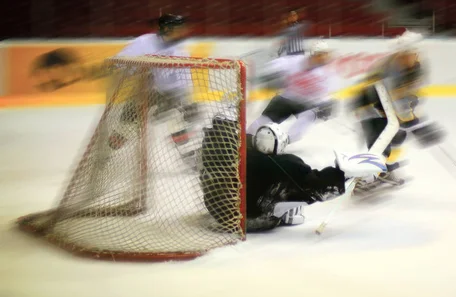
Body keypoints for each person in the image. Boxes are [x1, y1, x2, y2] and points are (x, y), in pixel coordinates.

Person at [200, 118, 387, 232]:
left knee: (274, 186)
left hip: (218, 209)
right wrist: (344, 174)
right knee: (292, 192)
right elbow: (316, 187)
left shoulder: (239, 150)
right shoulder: (285, 164)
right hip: (249, 219)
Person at [350, 31, 444, 191]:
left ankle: (385, 170)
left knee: (399, 136)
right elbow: (390, 99)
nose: (411, 57)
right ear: (400, 53)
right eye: (406, 54)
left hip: (389, 106)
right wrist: (414, 122)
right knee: (380, 142)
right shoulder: (387, 69)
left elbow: (413, 93)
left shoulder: (417, 66)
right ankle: (366, 178)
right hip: (370, 106)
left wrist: (417, 119)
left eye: (413, 54)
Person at [106, 13, 200, 167]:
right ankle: (106, 154)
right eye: (179, 28)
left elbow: (182, 79)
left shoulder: (180, 48)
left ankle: (189, 156)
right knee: (126, 128)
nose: (183, 32)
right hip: (143, 93)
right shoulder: (144, 42)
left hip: (169, 94)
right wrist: (134, 71)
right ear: (167, 29)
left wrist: (186, 99)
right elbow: (118, 62)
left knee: (177, 121)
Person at [247, 40, 340, 146]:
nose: (324, 57)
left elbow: (327, 94)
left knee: (308, 116)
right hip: (286, 99)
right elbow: (278, 64)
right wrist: (269, 73)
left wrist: (327, 103)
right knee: (263, 120)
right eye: (321, 54)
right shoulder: (296, 61)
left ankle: (284, 141)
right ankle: (246, 137)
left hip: (306, 104)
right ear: (313, 54)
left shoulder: (328, 72)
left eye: (326, 54)